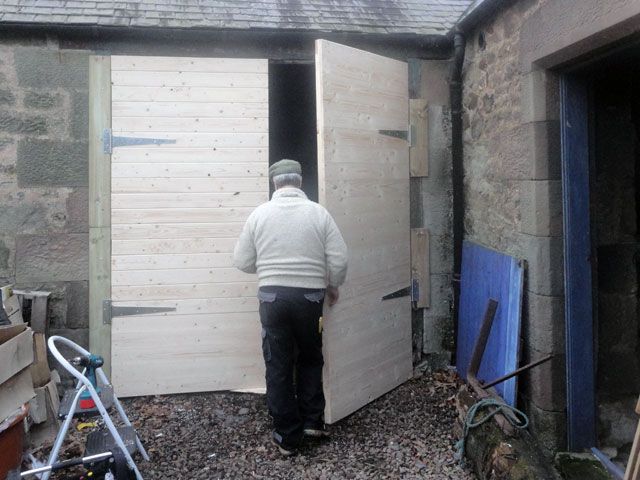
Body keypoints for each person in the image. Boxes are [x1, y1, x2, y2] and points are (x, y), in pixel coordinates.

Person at [233, 158, 348, 456]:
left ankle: (287, 437)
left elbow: (242, 261)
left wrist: (270, 267)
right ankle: (312, 421)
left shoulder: (259, 215)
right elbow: (339, 259)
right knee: (310, 357)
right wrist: (332, 284)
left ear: (275, 183)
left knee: (278, 364)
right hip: (310, 299)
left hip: (272, 299)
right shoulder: (319, 214)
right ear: (299, 182)